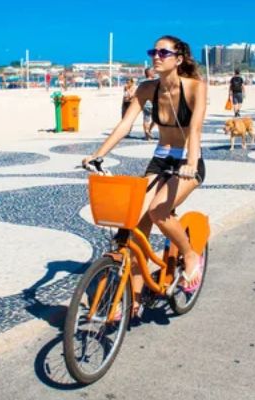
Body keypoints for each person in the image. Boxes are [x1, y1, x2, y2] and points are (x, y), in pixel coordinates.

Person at [82, 35, 207, 316]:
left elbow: (196, 130)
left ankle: (189, 254)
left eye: (164, 52)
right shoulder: (147, 88)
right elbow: (125, 125)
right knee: (137, 224)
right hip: (160, 160)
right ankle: (134, 299)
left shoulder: (196, 88)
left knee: (159, 210)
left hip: (187, 160)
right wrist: (97, 155)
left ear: (179, 58)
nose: (156, 56)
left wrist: (191, 162)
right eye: (154, 51)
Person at [141, 67, 157, 141]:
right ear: (149, 73)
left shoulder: (142, 82)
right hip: (153, 103)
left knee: (146, 119)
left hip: (145, 103)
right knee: (156, 119)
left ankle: (147, 133)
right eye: (153, 71)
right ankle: (148, 131)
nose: (154, 72)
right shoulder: (154, 82)